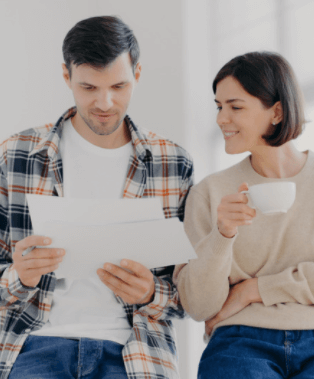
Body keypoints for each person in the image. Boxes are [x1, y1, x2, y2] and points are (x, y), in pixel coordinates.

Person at [0, 16, 193, 379]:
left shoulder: (173, 163)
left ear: (138, 73)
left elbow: (193, 294)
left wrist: (152, 293)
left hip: (134, 352)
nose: (105, 102)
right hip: (34, 344)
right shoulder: (16, 155)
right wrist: (17, 276)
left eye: (119, 86)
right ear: (66, 76)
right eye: (88, 87)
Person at [173, 51, 314, 378]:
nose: (221, 119)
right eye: (218, 106)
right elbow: (198, 305)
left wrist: (252, 290)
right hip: (240, 339)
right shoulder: (210, 193)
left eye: (235, 107)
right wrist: (223, 235)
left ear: (277, 112)